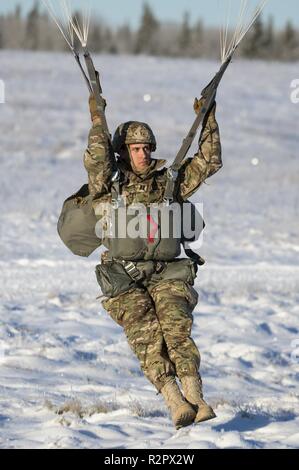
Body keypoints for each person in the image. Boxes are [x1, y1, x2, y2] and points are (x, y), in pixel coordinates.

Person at [84, 94, 223, 429]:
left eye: (147, 147)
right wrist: (97, 118)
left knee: (176, 328)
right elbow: (96, 161)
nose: (143, 154)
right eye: (135, 148)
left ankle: (196, 397)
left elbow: (209, 161)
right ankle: (174, 400)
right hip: (124, 278)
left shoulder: (169, 182)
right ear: (123, 151)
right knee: (145, 334)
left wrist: (209, 117)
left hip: (167, 274)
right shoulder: (109, 187)